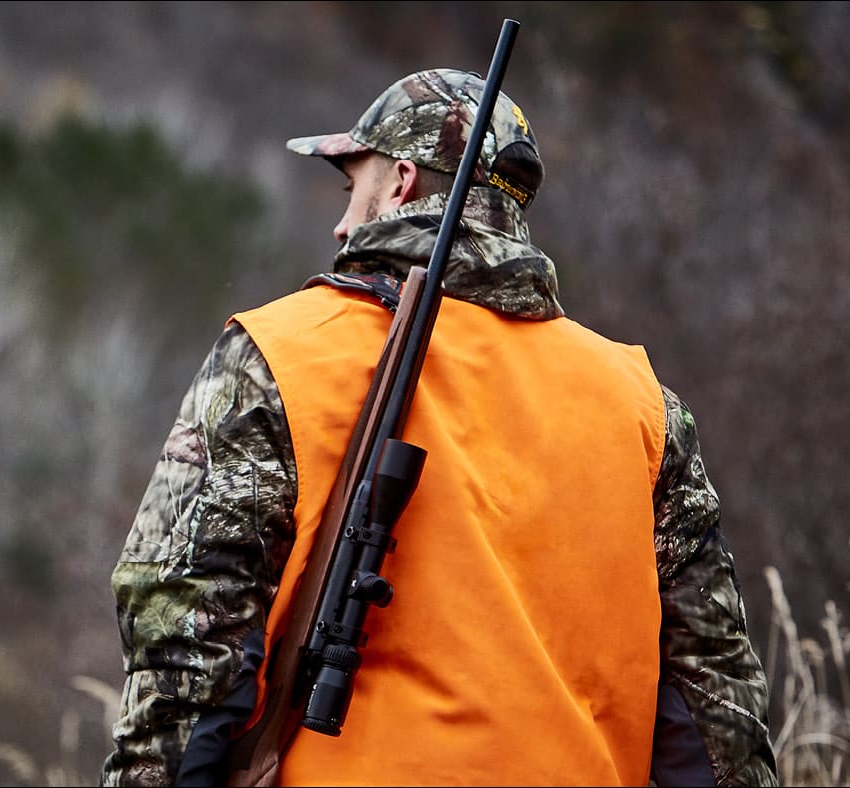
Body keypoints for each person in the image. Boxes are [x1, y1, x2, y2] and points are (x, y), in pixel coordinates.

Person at [101, 68, 777, 786]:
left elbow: (182, 644)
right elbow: (714, 704)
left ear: (398, 182)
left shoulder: (276, 356)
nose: (338, 222)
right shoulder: (642, 407)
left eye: (349, 188)